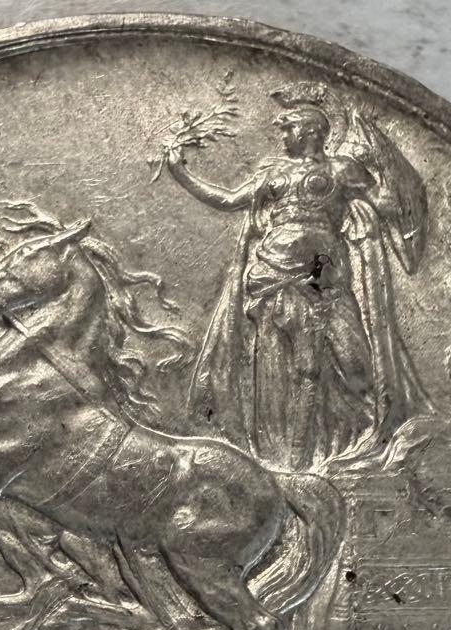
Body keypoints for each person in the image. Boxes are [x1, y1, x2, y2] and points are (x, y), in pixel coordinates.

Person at [167, 84, 430, 470]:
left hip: (322, 273)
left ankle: (365, 437)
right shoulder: (274, 173)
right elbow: (227, 199)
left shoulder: (342, 170)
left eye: (288, 129)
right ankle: (291, 456)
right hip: (273, 273)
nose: (283, 137)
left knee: (355, 360)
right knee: (290, 366)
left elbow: (388, 204)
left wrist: (395, 178)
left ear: (310, 131)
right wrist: (181, 172)